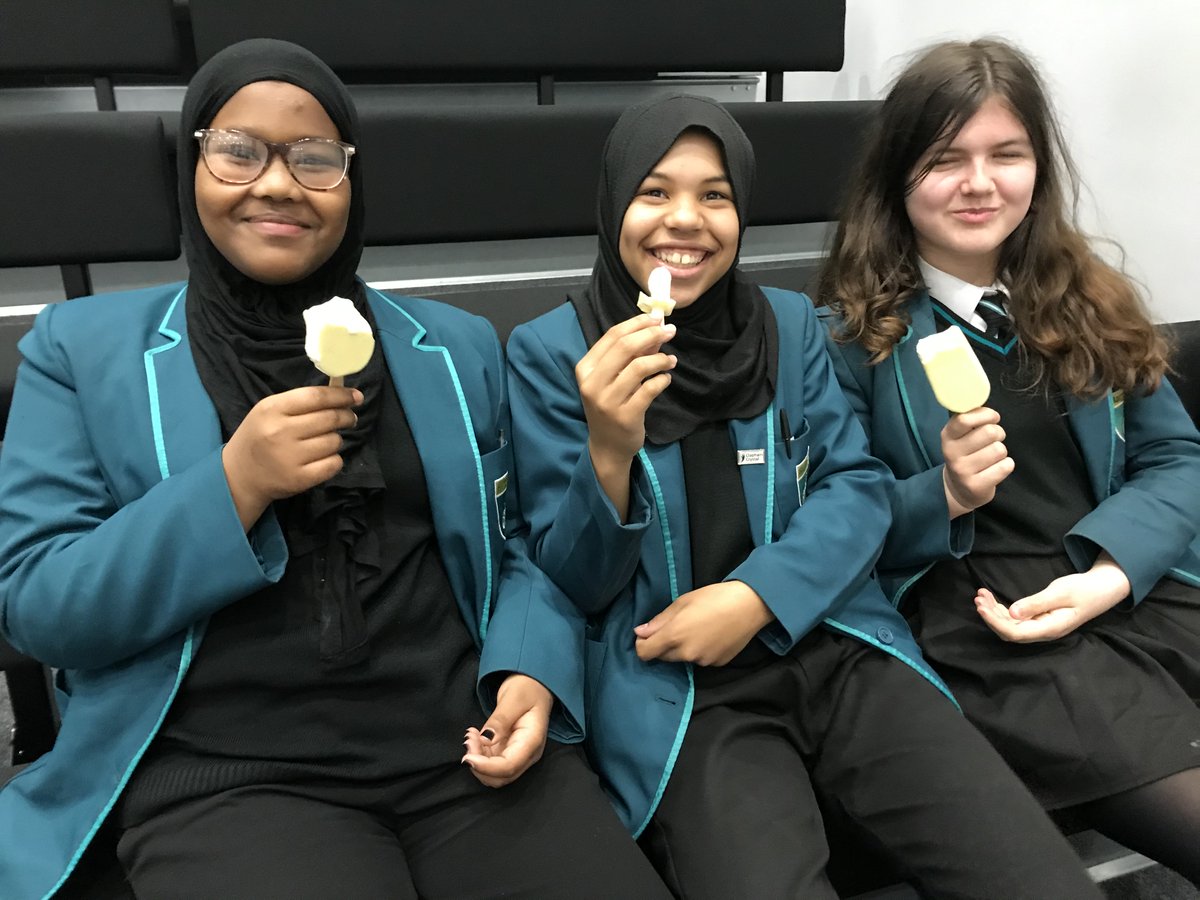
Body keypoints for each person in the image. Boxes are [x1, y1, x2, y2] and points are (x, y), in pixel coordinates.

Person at [0, 39, 670, 900]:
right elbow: (41, 607)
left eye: (314, 158)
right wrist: (235, 485)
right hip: (230, 775)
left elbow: (514, 557)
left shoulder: (454, 347)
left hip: (461, 748)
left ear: (352, 184)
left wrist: (529, 668)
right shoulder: (82, 351)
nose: (278, 183)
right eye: (238, 151)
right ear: (189, 168)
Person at [504, 93, 1100, 899]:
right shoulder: (552, 353)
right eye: (655, 192)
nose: (685, 220)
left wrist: (757, 596)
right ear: (614, 205)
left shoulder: (786, 325)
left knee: (1034, 877)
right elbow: (571, 580)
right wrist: (608, 449)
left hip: (834, 645)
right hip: (682, 689)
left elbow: (855, 487)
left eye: (715, 195)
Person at [817, 38, 1200, 886]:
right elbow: (832, 526)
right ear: (896, 177)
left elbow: (1176, 455)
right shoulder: (847, 338)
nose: (979, 183)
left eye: (1006, 154)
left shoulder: (1087, 295)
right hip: (993, 627)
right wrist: (944, 493)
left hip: (1124, 579)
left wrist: (1109, 574)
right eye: (945, 160)